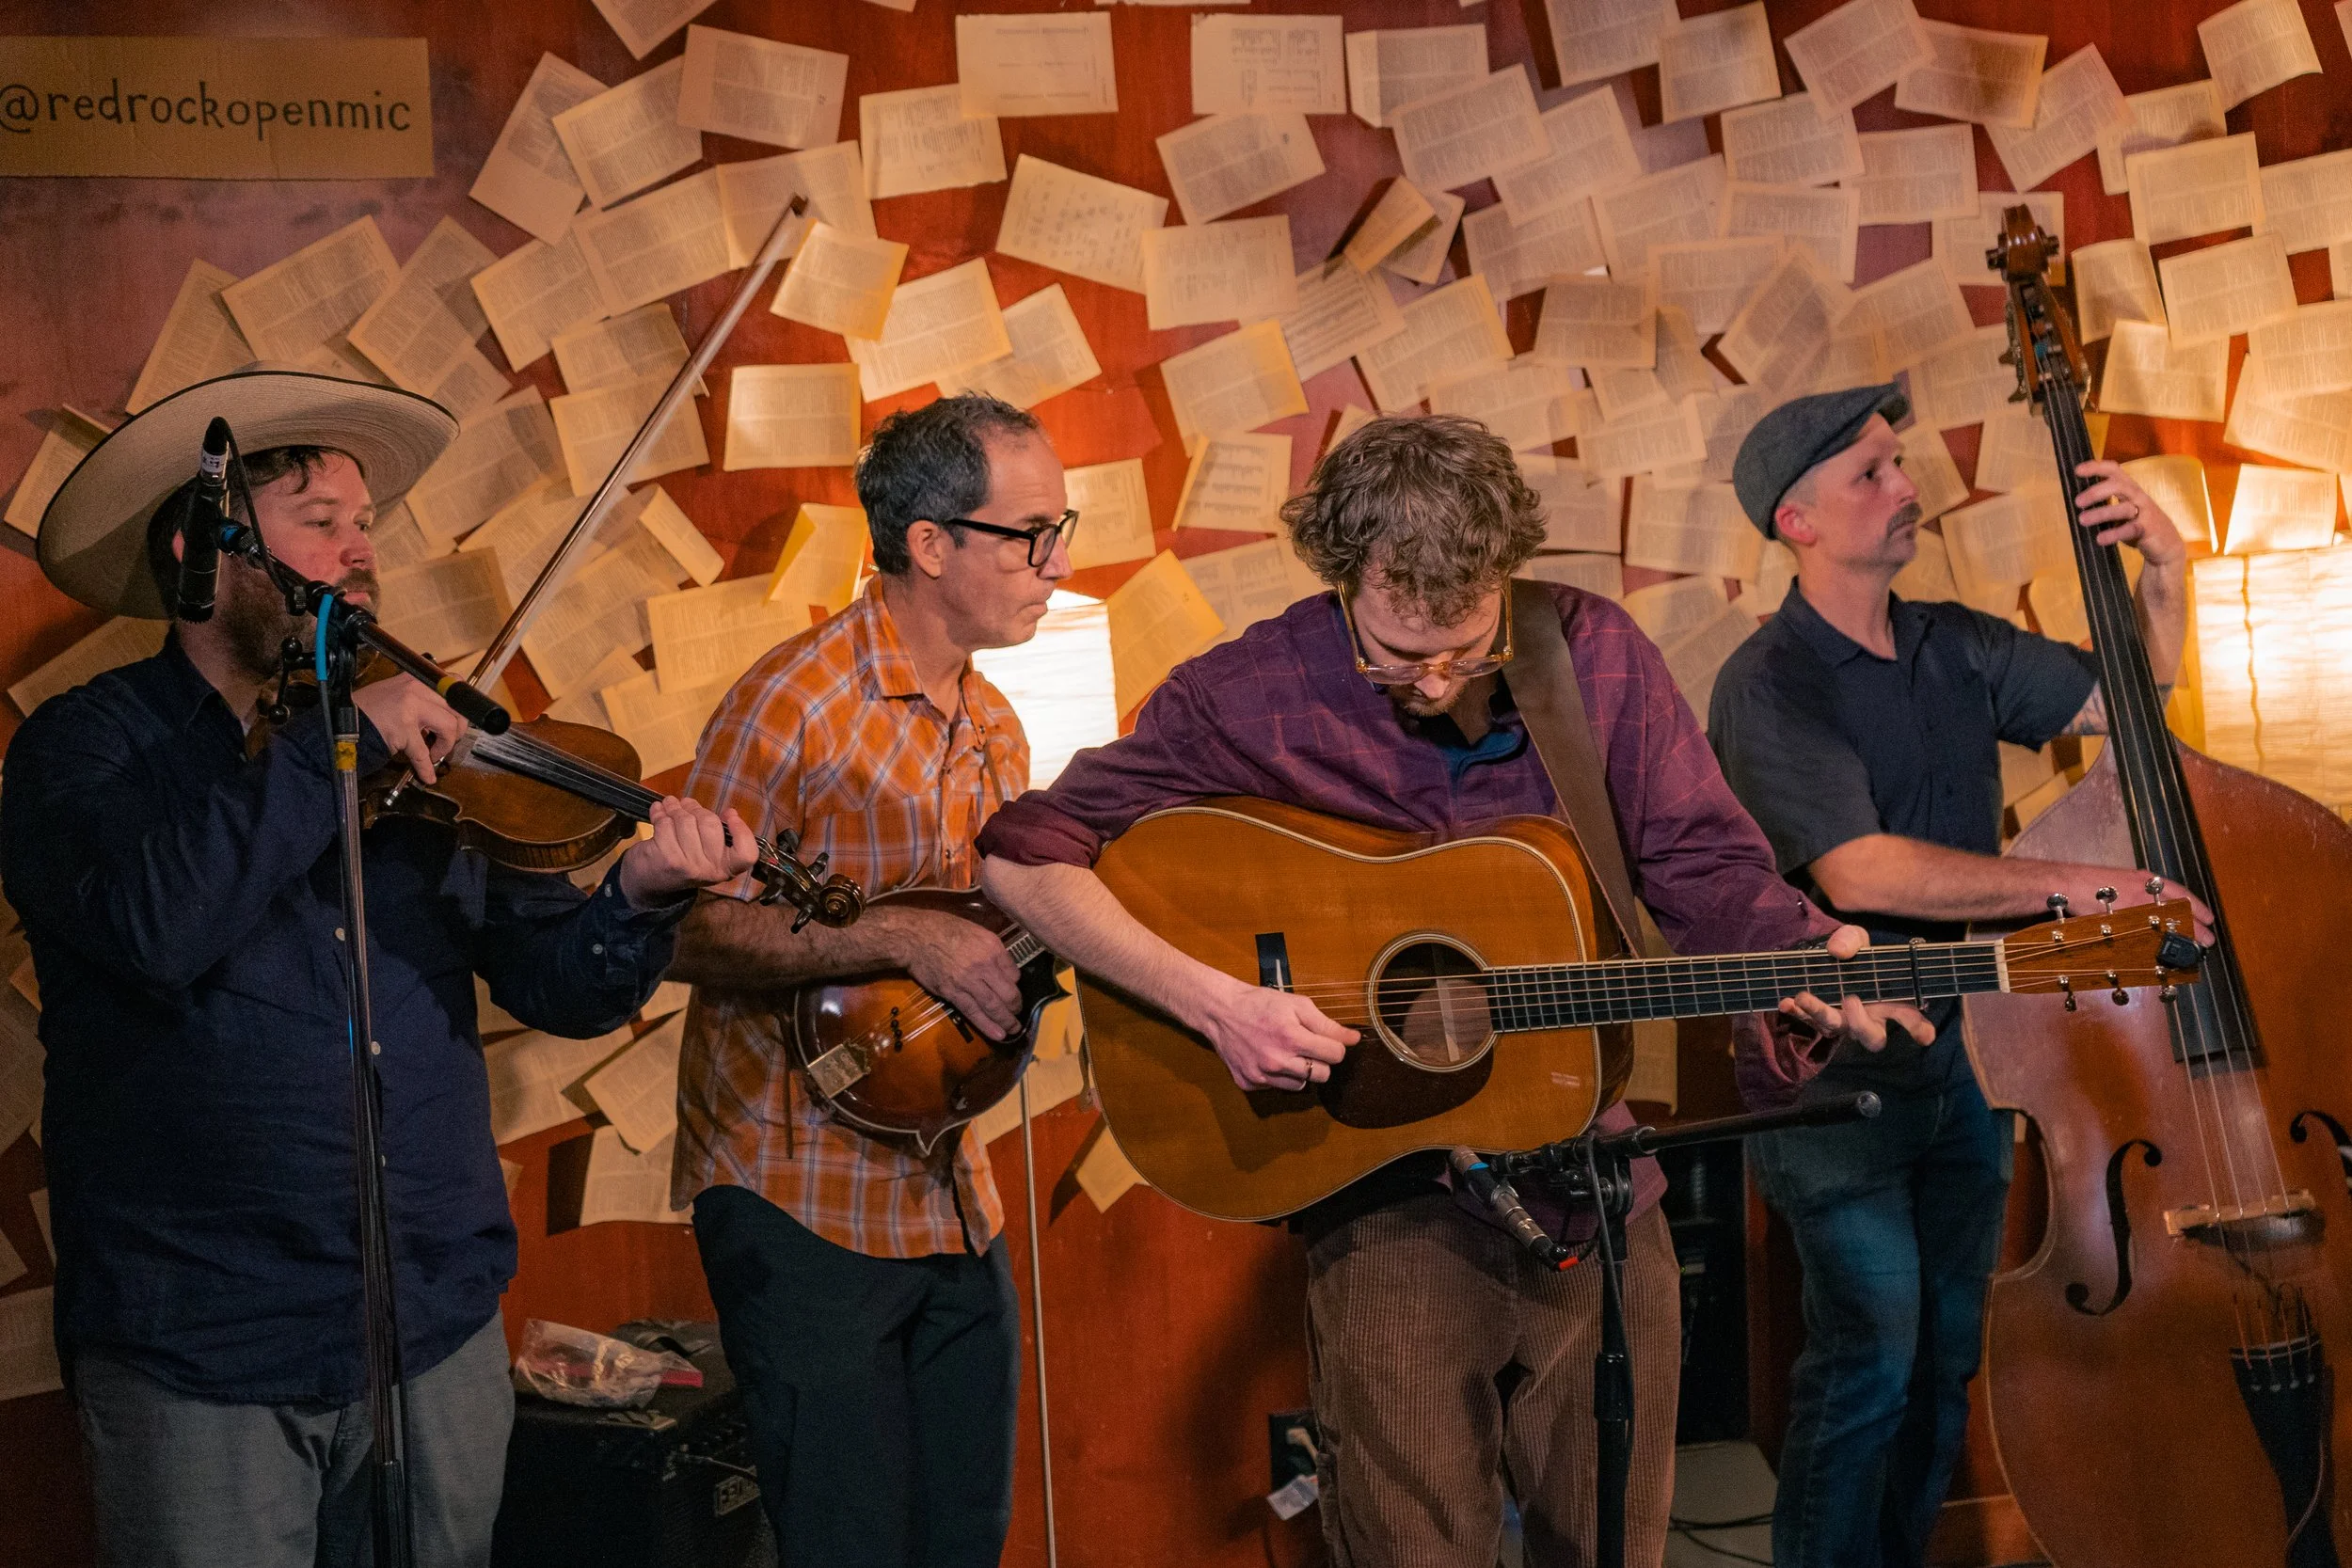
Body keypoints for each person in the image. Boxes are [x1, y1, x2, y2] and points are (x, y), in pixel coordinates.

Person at [975, 413, 1924, 1568]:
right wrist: (1216, 1002)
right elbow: (1024, 852)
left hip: (1598, 1173)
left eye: (1466, 647)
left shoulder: (1592, 655)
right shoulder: (1248, 694)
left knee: (1613, 1544)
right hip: (1386, 1198)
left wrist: (1802, 948)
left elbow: (1702, 862)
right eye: (1394, 651)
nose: (1432, 680)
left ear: (1504, 576)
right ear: (1341, 581)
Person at [1, 368, 756, 1568]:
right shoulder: (85, 746)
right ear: (208, 545)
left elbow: (557, 982)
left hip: (431, 1325)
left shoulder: (426, 744)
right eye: (321, 522)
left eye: (367, 524)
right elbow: (155, 926)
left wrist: (638, 895)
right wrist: (329, 752)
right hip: (206, 1345)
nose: (361, 551)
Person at [1707, 383, 2214, 1568]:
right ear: (1798, 522)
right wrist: (2076, 888)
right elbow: (1862, 868)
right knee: (1869, 1361)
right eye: (1870, 476)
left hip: (1968, 1062)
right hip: (1833, 1075)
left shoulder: (1956, 642)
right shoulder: (1768, 680)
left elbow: (2126, 705)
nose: (1905, 487)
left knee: (1942, 1363)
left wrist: (2166, 566)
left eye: (1899, 462)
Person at [665, 393, 1073, 1568]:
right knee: (847, 1543)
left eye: (1063, 528)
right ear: (931, 542)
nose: (1054, 564)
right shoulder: (794, 701)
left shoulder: (994, 720)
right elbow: (692, 932)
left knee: (964, 1537)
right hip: (799, 1190)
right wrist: (895, 937)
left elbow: (984, 936)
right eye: (1030, 533)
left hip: (947, 1185)